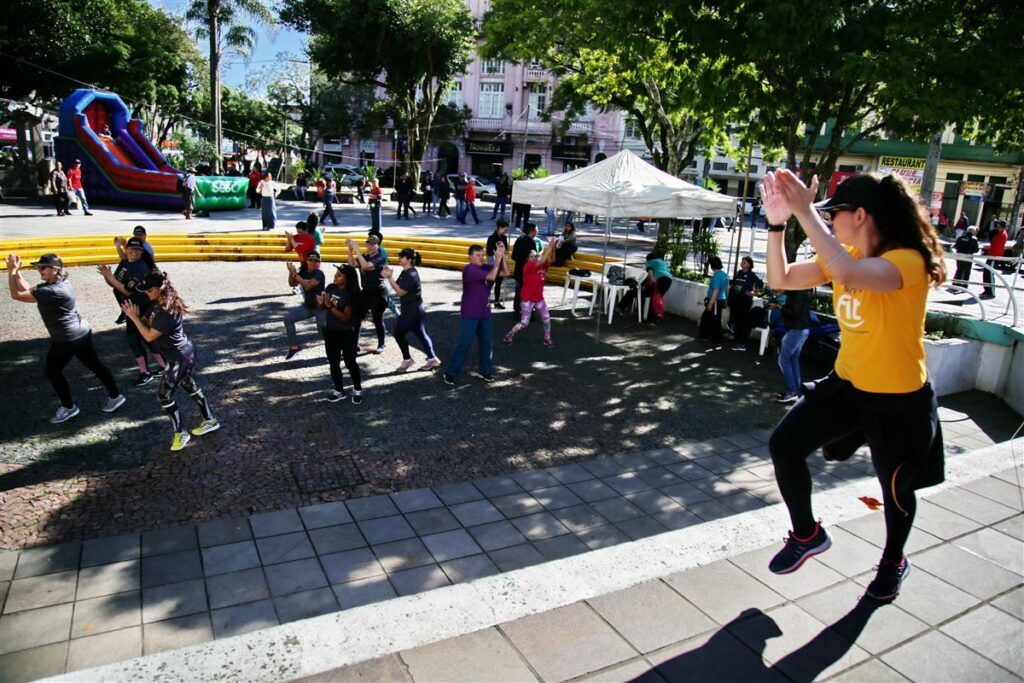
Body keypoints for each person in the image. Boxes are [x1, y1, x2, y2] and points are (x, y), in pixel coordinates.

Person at [759, 169, 946, 601]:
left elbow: (855, 276)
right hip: (849, 386)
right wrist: (777, 224)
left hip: (899, 399)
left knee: (896, 488)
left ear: (859, 215)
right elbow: (780, 279)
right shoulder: (840, 253)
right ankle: (807, 535)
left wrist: (805, 210)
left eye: (835, 213)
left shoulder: (907, 261)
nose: (831, 221)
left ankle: (893, 560)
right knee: (784, 446)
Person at [6, 252, 126, 424]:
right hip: (81, 331)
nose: (39, 270)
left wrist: (11, 272)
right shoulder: (60, 283)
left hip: (67, 337)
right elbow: (30, 290)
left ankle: (69, 408)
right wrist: (17, 273)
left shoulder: (52, 290)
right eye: (38, 267)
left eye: (43, 267)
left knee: (52, 370)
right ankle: (116, 396)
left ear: (55, 269)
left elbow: (17, 295)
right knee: (94, 364)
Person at [122, 271, 220, 451]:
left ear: (160, 289)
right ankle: (210, 420)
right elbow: (147, 322)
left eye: (149, 290)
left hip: (180, 357)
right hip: (179, 355)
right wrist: (136, 316)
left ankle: (181, 432)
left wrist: (135, 318)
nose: (146, 293)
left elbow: (149, 336)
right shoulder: (157, 303)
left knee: (163, 395)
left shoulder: (167, 311)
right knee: (189, 385)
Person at [98, 237, 167, 385]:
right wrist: (108, 276)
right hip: (131, 306)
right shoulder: (125, 263)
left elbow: (126, 290)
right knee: (141, 339)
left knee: (136, 338)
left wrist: (108, 276)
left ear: (142, 252)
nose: (134, 252)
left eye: (138, 250)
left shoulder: (141, 267)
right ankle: (161, 366)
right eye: (131, 249)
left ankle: (148, 371)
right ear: (127, 250)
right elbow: (115, 283)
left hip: (141, 307)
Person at [443, 243, 507, 385]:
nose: (481, 257)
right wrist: (496, 260)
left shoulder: (484, 267)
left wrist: (502, 255)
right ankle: (450, 372)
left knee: (487, 344)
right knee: (464, 344)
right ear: (470, 257)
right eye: (478, 255)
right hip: (470, 312)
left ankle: (486, 371)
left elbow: (505, 273)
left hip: (484, 313)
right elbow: (491, 277)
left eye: (482, 255)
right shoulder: (469, 269)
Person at [383, 248, 441, 371]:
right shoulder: (405, 272)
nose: (399, 258)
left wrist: (389, 278)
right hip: (414, 309)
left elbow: (400, 292)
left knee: (398, 334)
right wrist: (389, 276)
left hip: (412, 311)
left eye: (402, 256)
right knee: (421, 333)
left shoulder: (411, 274)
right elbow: (396, 287)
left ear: (409, 259)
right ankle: (433, 359)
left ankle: (408, 360)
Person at [318, 264, 365, 405]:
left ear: (347, 279)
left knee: (350, 361)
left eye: (339, 275)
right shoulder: (330, 288)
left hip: (346, 332)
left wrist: (329, 305)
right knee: (333, 361)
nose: (335, 276)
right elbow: (322, 307)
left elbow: (345, 318)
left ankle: (357, 389)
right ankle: (339, 390)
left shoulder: (352, 295)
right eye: (336, 273)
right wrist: (321, 303)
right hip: (331, 330)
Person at [503, 237, 556, 347]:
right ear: (528, 259)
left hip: (539, 298)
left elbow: (551, 260)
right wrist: (550, 245)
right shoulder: (528, 266)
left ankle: (547, 339)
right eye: (531, 256)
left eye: (535, 256)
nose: (534, 258)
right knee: (524, 323)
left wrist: (553, 248)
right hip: (527, 298)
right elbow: (543, 259)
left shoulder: (541, 265)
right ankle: (508, 335)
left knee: (546, 319)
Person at [348, 236, 388, 353]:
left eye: (373, 244)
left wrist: (357, 251)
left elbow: (365, 266)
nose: (370, 246)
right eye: (368, 244)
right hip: (366, 291)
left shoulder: (380, 257)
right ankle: (354, 345)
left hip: (378, 292)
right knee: (357, 318)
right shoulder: (365, 256)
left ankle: (381, 344)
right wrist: (350, 250)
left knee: (377, 319)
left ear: (378, 246)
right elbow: (352, 264)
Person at [283, 251, 327, 359]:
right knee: (288, 318)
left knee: (323, 334)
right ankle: (294, 347)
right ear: (306, 261)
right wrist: (291, 272)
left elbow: (308, 286)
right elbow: (292, 283)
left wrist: (295, 274)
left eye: (316, 261)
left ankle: (337, 351)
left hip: (320, 307)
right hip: (308, 306)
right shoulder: (302, 272)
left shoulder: (319, 273)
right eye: (310, 260)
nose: (313, 262)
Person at [774, 288, 813, 403]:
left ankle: (792, 391)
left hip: (797, 330)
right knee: (793, 360)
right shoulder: (801, 291)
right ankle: (796, 391)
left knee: (783, 360)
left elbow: (793, 313)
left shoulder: (797, 294)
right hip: (802, 329)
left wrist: (780, 306)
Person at [618, 250, 674, 324]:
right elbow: (666, 272)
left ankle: (620, 308)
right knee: (657, 297)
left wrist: (651, 278)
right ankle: (654, 318)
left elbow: (650, 271)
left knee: (652, 296)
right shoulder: (662, 262)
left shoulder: (649, 262)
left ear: (648, 259)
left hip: (659, 280)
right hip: (668, 280)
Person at [728, 256, 764, 350]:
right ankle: (736, 338)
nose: (741, 263)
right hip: (736, 300)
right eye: (741, 262)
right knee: (734, 320)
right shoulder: (739, 272)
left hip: (745, 301)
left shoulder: (751, 275)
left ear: (749, 264)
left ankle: (741, 343)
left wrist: (754, 293)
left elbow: (760, 284)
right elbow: (734, 283)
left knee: (742, 321)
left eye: (744, 262)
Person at [698, 256, 728, 342]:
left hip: (715, 300)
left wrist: (711, 303)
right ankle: (709, 337)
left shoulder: (717, 276)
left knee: (711, 320)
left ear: (712, 266)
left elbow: (716, 290)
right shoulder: (724, 274)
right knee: (712, 319)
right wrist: (726, 300)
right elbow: (727, 288)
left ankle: (714, 339)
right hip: (720, 299)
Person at [512, 222, 539, 314]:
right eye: (536, 230)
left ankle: (516, 311)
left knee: (518, 292)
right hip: (528, 272)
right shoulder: (531, 241)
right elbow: (534, 258)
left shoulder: (519, 240)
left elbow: (513, 256)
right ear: (532, 231)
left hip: (518, 270)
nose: (537, 232)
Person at [486, 220, 511, 309]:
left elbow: (506, 250)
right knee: (490, 283)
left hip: (501, 264)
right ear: (500, 228)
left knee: (499, 284)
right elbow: (489, 252)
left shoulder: (504, 238)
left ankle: (497, 301)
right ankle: (485, 301)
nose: (506, 231)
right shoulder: (491, 238)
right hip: (493, 264)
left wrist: (503, 251)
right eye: (505, 229)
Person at [980, 220, 1008, 299]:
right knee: (986, 273)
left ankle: (991, 292)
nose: (997, 225)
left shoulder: (1002, 234)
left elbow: (997, 246)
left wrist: (987, 247)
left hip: (994, 255)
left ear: (1001, 226)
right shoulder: (1000, 233)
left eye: (998, 224)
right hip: (991, 254)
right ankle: (987, 289)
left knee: (989, 274)